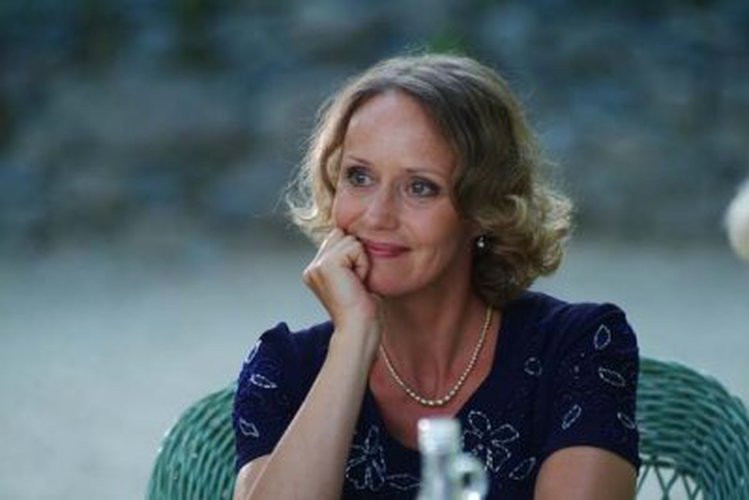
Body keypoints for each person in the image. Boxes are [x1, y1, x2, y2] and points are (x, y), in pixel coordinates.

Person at [232, 53, 640, 500]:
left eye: (420, 187)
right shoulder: (284, 368)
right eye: (359, 176)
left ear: (486, 208)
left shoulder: (579, 347)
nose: (377, 215)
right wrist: (352, 341)